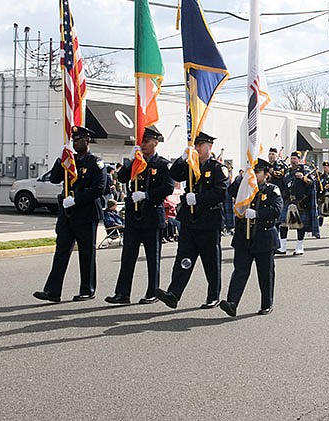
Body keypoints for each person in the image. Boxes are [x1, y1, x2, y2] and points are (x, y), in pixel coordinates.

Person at [156, 132, 229, 310]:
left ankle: (213, 296)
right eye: (195, 145)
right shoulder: (191, 165)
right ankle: (174, 294)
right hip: (190, 220)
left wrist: (198, 198)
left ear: (209, 147)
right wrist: (182, 157)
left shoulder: (218, 168)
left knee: (211, 261)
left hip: (208, 220)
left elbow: (221, 192)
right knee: (183, 257)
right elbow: (174, 174)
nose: (197, 148)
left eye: (200, 145)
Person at [33, 126, 105, 303]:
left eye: (79, 139)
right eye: (73, 140)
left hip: (86, 213)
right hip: (67, 214)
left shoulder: (96, 162)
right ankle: (52, 291)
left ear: (87, 140)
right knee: (61, 252)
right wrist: (60, 160)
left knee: (87, 254)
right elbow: (55, 179)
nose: (75, 142)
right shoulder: (69, 161)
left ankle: (87, 290)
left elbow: (99, 188)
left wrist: (77, 199)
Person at [105, 127, 174, 305]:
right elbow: (121, 178)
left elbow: (168, 187)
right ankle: (122, 293)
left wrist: (147, 195)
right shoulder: (136, 161)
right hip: (133, 217)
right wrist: (129, 161)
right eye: (141, 142)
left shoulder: (162, 164)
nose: (142, 145)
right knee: (128, 256)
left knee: (153, 257)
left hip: (151, 215)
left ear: (155, 143)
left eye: (145, 142)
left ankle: (153, 292)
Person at [221, 158, 284, 317]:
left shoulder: (272, 190)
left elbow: (276, 210)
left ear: (266, 174)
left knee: (265, 273)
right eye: (253, 171)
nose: (254, 175)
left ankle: (266, 303)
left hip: (263, 236)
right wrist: (243, 178)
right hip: (244, 236)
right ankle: (232, 303)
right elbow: (231, 191)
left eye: (257, 172)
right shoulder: (244, 187)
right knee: (240, 270)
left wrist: (258, 214)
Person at [277, 151, 318, 255]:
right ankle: (283, 247)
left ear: (299, 160)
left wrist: (303, 178)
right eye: (292, 158)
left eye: (295, 159)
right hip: (288, 200)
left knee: (300, 225)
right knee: (283, 224)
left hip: (300, 201)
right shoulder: (287, 171)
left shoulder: (305, 170)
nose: (293, 160)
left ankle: (299, 247)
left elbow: (312, 183)